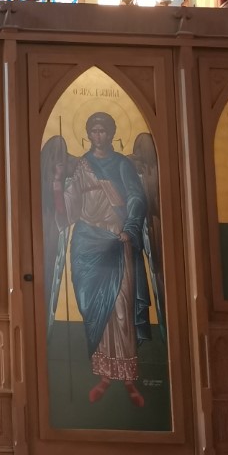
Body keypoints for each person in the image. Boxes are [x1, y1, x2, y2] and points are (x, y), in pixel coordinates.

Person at [50, 111, 152, 406]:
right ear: (88, 134)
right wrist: (57, 182)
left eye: (103, 131)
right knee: (96, 308)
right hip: (87, 242)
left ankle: (129, 378)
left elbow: (137, 197)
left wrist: (129, 228)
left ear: (111, 133)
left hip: (118, 240)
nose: (98, 136)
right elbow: (70, 209)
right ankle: (105, 375)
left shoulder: (122, 164)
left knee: (121, 307)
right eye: (94, 131)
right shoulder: (81, 166)